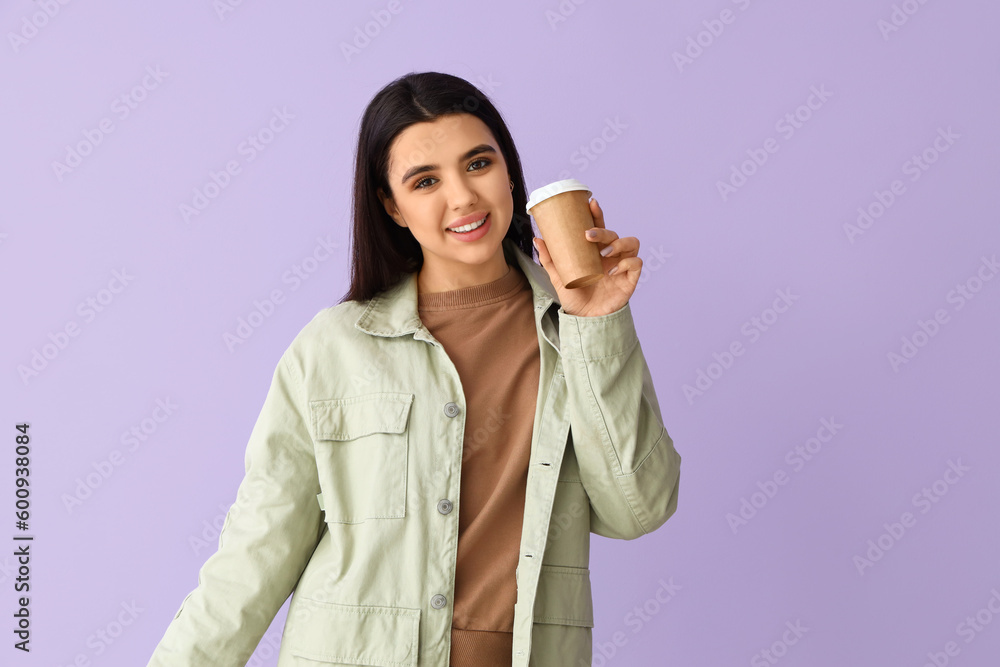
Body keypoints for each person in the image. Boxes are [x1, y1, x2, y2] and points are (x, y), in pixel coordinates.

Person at [146, 71, 681, 667]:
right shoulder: (333, 347)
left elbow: (639, 509)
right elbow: (255, 553)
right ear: (392, 206)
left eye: (479, 164)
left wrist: (597, 324)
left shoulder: (572, 332)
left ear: (509, 171)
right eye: (425, 181)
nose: (463, 197)